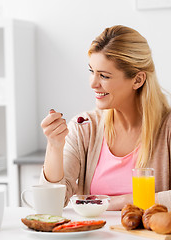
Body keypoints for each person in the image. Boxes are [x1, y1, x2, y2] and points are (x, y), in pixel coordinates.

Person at [40, 25, 171, 211]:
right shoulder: (84, 127)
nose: (93, 83)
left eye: (104, 76)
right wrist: (54, 146)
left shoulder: (167, 128)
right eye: (91, 71)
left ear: (138, 80)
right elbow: (48, 206)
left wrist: (114, 202)